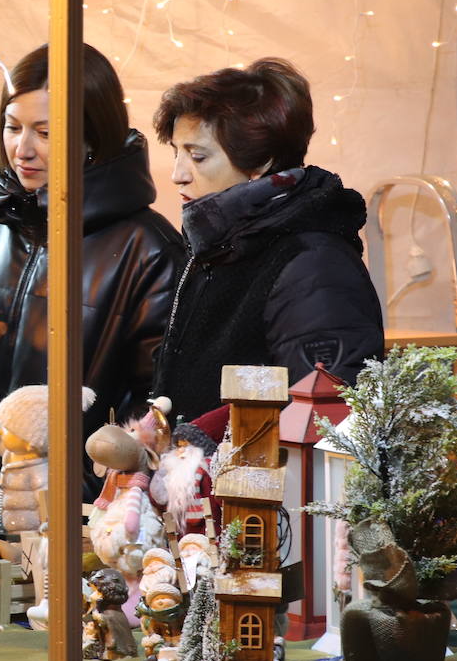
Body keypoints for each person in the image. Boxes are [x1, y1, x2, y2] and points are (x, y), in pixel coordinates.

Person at [0, 43, 184, 505]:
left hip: (72, 519)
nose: (23, 149)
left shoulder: (147, 248)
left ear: (92, 137)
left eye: (45, 132)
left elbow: (156, 407)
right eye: (12, 127)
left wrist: (79, 489)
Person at [151, 58, 384, 421]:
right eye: (175, 152)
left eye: (197, 156)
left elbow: (325, 419)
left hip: (255, 460)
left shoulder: (313, 264)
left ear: (260, 162)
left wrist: (201, 441)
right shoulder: (219, 244)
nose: (178, 174)